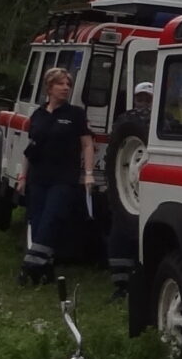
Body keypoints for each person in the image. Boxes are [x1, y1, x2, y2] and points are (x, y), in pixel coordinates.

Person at [18, 64, 97, 285]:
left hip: (63, 177)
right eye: (60, 84)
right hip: (38, 176)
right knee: (37, 221)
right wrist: (23, 177)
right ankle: (46, 269)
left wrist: (88, 173)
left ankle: (29, 266)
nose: (65, 88)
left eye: (68, 84)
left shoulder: (75, 114)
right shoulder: (38, 115)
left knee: (51, 219)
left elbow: (87, 144)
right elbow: (30, 149)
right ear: (49, 87)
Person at [102, 80, 154, 297]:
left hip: (151, 189)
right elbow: (114, 155)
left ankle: (143, 280)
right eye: (139, 98)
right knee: (120, 232)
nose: (143, 103)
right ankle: (120, 282)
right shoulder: (123, 121)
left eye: (147, 99)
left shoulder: (165, 121)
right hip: (126, 188)